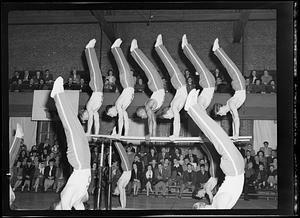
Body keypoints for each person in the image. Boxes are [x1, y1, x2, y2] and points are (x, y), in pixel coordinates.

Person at [184, 86, 245, 209]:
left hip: (235, 170)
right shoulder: (218, 207)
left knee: (218, 135)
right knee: (217, 135)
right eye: (199, 205)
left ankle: (195, 109)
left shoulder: (214, 204)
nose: (200, 202)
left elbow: (218, 199)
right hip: (235, 170)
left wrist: (209, 192)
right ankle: (192, 108)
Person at [50, 77, 91, 210]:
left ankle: (57, 95)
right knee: (76, 129)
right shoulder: (75, 201)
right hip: (84, 165)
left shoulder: (64, 197)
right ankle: (58, 95)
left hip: (79, 164)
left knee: (71, 127)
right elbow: (82, 202)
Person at [130, 38, 165, 139]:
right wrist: (153, 135)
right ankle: (133, 52)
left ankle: (135, 50)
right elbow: (153, 120)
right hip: (157, 87)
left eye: (140, 115)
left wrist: (149, 133)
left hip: (156, 86)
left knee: (149, 68)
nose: (141, 117)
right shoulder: (152, 110)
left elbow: (150, 120)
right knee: (146, 69)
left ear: (142, 110)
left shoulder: (148, 106)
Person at [154, 34, 188, 140]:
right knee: (170, 65)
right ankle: (159, 47)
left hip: (179, 84)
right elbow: (176, 119)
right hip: (178, 84)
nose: (170, 118)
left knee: (171, 64)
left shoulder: (173, 107)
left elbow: (176, 120)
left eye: (167, 117)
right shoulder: (174, 107)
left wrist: (175, 134)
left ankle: (159, 47)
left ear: (167, 111)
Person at [212, 38, 246, 141]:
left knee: (229, 65)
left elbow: (236, 119)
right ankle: (217, 50)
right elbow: (234, 120)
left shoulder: (230, 104)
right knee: (229, 66)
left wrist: (236, 135)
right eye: (219, 115)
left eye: (219, 113)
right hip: (239, 86)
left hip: (239, 86)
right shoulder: (230, 107)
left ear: (220, 108)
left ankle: (217, 50)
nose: (221, 115)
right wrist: (235, 134)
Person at [106, 38, 135, 137]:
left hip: (127, 85)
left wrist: (118, 133)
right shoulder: (123, 109)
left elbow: (120, 119)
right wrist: (125, 134)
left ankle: (115, 49)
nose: (112, 116)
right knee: (124, 66)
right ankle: (116, 49)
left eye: (110, 114)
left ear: (111, 109)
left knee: (123, 66)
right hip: (129, 85)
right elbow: (125, 120)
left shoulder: (118, 104)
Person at [182, 34, 216, 110]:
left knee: (198, 63)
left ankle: (185, 47)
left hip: (208, 84)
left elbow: (198, 106)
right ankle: (186, 48)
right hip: (211, 83)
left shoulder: (199, 102)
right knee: (199, 65)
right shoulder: (203, 105)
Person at [80, 39, 104, 136]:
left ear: (84, 113)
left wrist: (88, 132)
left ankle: (89, 50)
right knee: (96, 69)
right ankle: (91, 50)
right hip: (100, 88)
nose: (88, 117)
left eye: (85, 117)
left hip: (95, 88)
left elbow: (90, 120)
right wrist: (96, 135)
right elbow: (96, 122)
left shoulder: (89, 107)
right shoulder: (95, 111)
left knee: (93, 69)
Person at [111, 141, 134, 208]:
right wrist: (122, 206)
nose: (115, 189)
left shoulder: (120, 184)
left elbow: (123, 196)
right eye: (115, 191)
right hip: (127, 169)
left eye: (115, 190)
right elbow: (122, 196)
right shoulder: (121, 186)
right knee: (122, 154)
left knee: (122, 155)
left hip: (126, 170)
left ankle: (117, 142)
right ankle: (116, 141)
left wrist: (123, 206)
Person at [9, 123, 24, 206]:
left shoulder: (11, 196)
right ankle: (18, 137)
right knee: (11, 157)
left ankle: (18, 137)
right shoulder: (11, 197)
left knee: (11, 157)